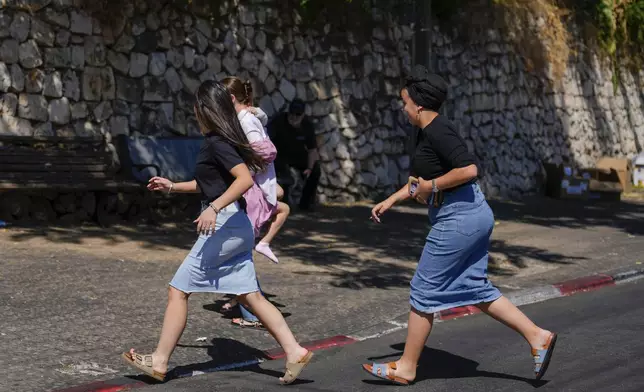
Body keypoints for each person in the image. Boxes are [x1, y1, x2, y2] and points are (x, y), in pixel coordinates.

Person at [362, 65, 557, 386]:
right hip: (468, 212)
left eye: (405, 101)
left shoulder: (439, 130)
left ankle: (407, 367)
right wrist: (393, 199)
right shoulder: (427, 131)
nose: (403, 107)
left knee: (423, 290)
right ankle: (538, 336)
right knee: (474, 288)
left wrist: (431, 187)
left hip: (459, 217)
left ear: (419, 105)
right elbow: (419, 181)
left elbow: (468, 170)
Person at [121, 80, 313, 385]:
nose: (194, 113)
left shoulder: (217, 142)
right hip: (237, 225)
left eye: (196, 108)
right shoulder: (220, 141)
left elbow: (243, 181)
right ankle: (295, 351)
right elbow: (210, 185)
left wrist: (212, 208)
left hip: (224, 225)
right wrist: (172, 186)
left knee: (178, 290)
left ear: (205, 110)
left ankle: (159, 361)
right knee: (250, 295)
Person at [219, 76, 290, 328]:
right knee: (239, 253)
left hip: (251, 191)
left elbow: (266, 151)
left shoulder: (244, 120)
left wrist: (244, 161)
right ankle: (244, 303)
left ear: (230, 99)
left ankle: (250, 310)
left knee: (238, 255)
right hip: (253, 188)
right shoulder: (245, 118)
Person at [268, 99, 320, 211]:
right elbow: (268, 142)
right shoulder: (279, 121)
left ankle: (305, 204)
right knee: (285, 176)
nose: (294, 117)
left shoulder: (307, 125)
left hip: (298, 156)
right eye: (292, 113)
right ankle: (284, 203)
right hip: (280, 156)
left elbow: (312, 150)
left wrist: (309, 168)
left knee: (315, 170)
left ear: (303, 115)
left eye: (298, 114)